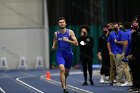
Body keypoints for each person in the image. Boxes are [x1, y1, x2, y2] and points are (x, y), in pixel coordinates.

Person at [52, 17, 78, 93]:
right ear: (58, 24)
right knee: (62, 69)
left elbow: (76, 43)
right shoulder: (56, 33)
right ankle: (64, 88)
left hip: (69, 54)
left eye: (63, 22)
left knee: (66, 73)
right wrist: (54, 45)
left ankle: (63, 81)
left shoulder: (70, 32)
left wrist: (67, 40)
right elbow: (54, 39)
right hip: (60, 54)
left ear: (65, 23)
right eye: (60, 22)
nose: (62, 23)